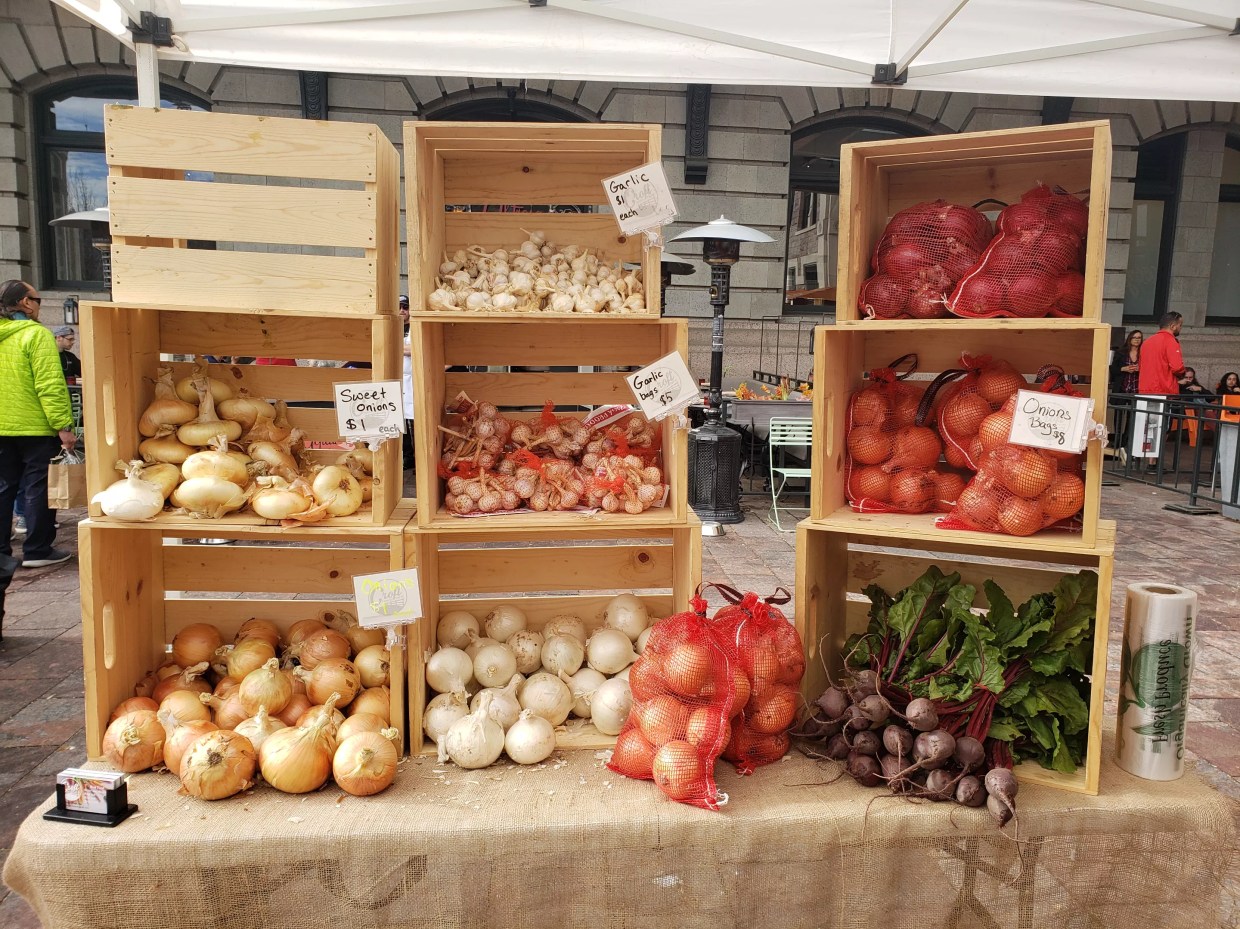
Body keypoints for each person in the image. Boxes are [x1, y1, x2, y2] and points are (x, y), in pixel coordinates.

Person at [0, 281, 77, 636]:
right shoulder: (35, 335)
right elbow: (50, 383)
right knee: (38, 486)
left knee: (4, 489)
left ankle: (5, 548)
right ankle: (37, 547)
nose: (38, 304)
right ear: (22, 303)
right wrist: (64, 425)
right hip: (32, 427)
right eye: (36, 299)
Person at [1137, 312, 1185, 395]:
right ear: (1173, 326)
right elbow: (1177, 367)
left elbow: (1141, 365)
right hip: (1164, 389)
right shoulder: (1171, 341)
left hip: (1145, 389)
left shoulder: (1147, 342)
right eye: (1180, 325)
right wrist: (1182, 373)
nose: (1180, 328)